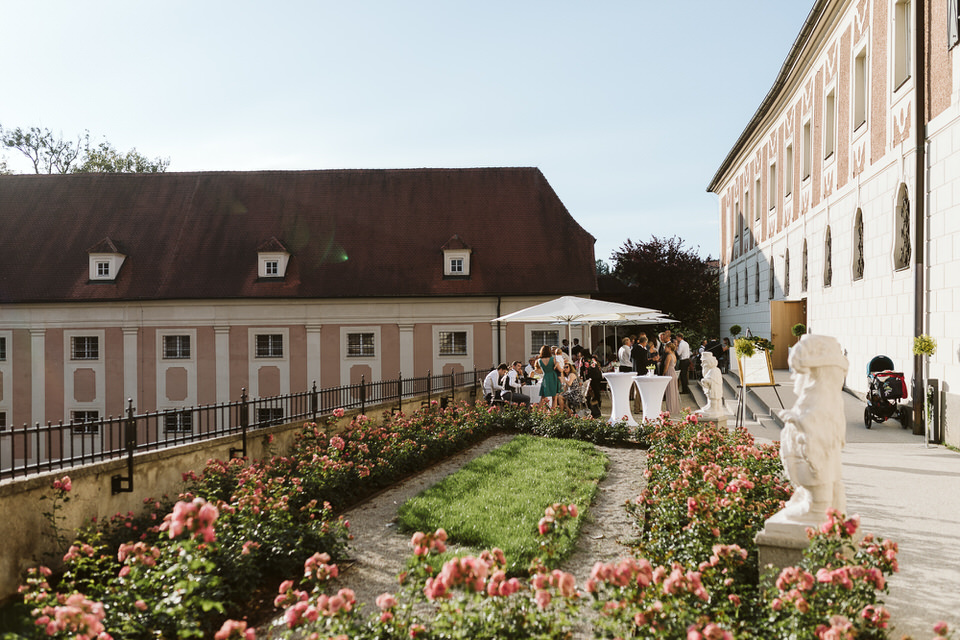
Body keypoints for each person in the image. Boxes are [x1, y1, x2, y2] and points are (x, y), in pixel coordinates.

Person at [662, 342, 681, 416]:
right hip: (673, 372)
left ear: (669, 348)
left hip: (669, 372)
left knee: (669, 391)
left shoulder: (669, 356)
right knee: (673, 391)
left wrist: (663, 374)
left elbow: (666, 366)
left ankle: (670, 408)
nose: (665, 349)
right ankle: (674, 408)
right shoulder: (674, 355)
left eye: (666, 347)